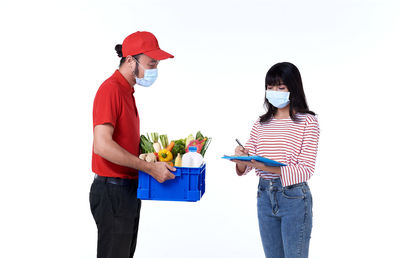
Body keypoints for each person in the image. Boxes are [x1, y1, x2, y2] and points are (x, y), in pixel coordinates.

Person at [89, 31, 176, 258]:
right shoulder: (111, 90)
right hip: (112, 192)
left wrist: (157, 158)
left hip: (126, 191)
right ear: (130, 60)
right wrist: (149, 167)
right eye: (151, 63)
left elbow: (123, 144)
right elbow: (102, 145)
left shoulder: (127, 92)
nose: (155, 70)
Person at [231, 62, 320, 258]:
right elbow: (246, 166)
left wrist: (264, 166)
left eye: (281, 87)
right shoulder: (261, 123)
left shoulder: (307, 121)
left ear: (293, 88)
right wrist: (241, 157)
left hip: (294, 197)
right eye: (270, 87)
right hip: (264, 196)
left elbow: (305, 169)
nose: (274, 92)